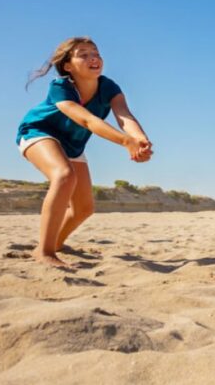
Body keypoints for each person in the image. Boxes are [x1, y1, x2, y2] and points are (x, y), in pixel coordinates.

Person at [17, 37, 152, 268]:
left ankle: (56, 243)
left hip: (73, 145)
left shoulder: (109, 87)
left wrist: (140, 140)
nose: (93, 58)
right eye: (84, 54)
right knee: (64, 175)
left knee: (84, 209)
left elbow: (124, 115)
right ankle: (45, 252)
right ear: (68, 65)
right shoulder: (61, 87)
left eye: (96, 53)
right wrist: (124, 141)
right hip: (39, 132)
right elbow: (87, 120)